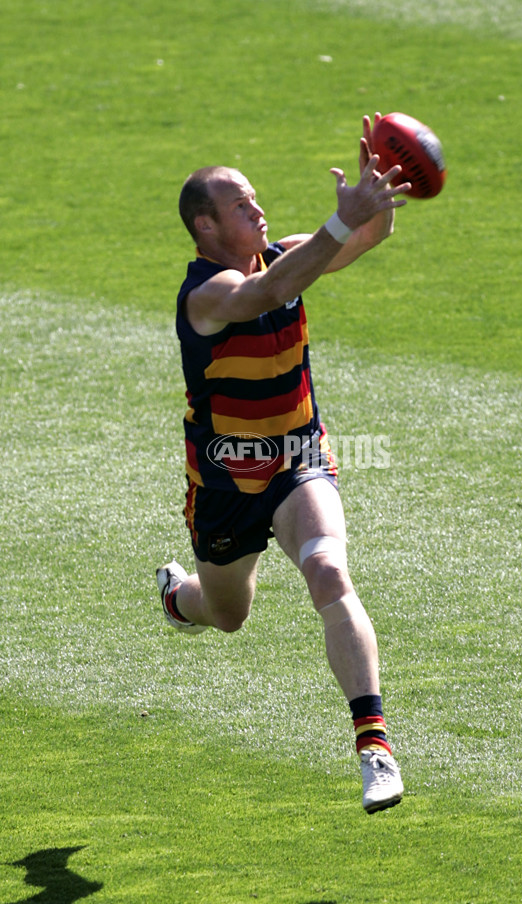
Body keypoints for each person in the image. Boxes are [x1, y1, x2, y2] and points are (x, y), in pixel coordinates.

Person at [157, 114, 411, 813]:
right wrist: (338, 225)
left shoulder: (285, 254)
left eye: (255, 198)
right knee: (226, 613)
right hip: (225, 482)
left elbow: (363, 238)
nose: (259, 210)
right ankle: (180, 600)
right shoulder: (205, 296)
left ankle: (374, 746)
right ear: (206, 227)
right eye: (241, 204)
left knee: (328, 568)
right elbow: (262, 296)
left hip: (299, 457)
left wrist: (377, 195)